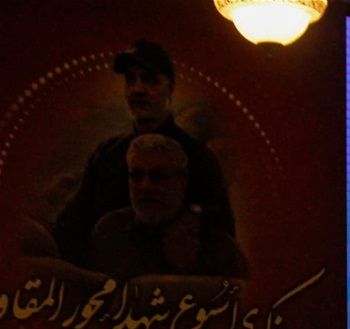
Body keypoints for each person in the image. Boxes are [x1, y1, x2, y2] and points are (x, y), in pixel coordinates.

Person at [54, 38, 232, 268]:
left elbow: (224, 233)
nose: (137, 89)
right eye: (131, 79)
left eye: (150, 80)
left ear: (170, 88)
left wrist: (193, 219)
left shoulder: (199, 158)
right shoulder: (106, 155)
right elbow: (71, 224)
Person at [88, 134, 247, 280]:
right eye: (136, 176)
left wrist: (189, 268)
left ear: (182, 182)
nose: (145, 186)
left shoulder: (218, 247)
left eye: (158, 176)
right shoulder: (110, 231)